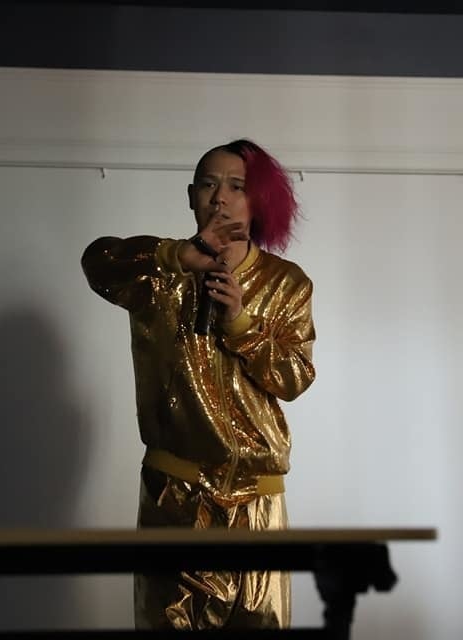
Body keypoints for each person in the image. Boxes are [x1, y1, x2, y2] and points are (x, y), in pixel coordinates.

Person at [81, 139, 316, 630]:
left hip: (257, 500)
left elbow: (295, 377)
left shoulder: (287, 283)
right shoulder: (159, 274)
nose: (220, 197)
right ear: (191, 196)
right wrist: (173, 257)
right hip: (177, 494)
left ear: (258, 200)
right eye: (208, 184)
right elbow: (97, 262)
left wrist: (242, 324)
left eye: (237, 186)